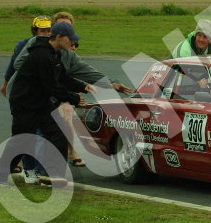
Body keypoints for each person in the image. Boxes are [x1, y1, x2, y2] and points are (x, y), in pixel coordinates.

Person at [7, 10, 132, 168]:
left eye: (69, 29)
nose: (72, 40)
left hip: (47, 98)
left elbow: (84, 72)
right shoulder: (38, 46)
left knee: (51, 130)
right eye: (62, 27)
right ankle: (21, 166)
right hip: (26, 96)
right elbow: (18, 64)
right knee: (29, 135)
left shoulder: (65, 54)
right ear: (56, 32)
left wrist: (110, 83)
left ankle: (43, 170)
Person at [8, 21, 95, 186]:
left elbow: (62, 77)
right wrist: (74, 99)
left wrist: (83, 86)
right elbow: (52, 86)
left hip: (41, 103)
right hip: (24, 103)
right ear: (59, 37)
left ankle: (54, 175)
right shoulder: (43, 56)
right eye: (70, 39)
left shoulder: (54, 54)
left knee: (58, 133)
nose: (73, 42)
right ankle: (3, 169)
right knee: (22, 141)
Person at [0, 15, 51, 97]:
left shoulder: (55, 45)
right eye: (42, 31)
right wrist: (6, 84)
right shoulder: (23, 45)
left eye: (49, 31)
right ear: (35, 31)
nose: (46, 34)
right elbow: (14, 65)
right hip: (27, 85)